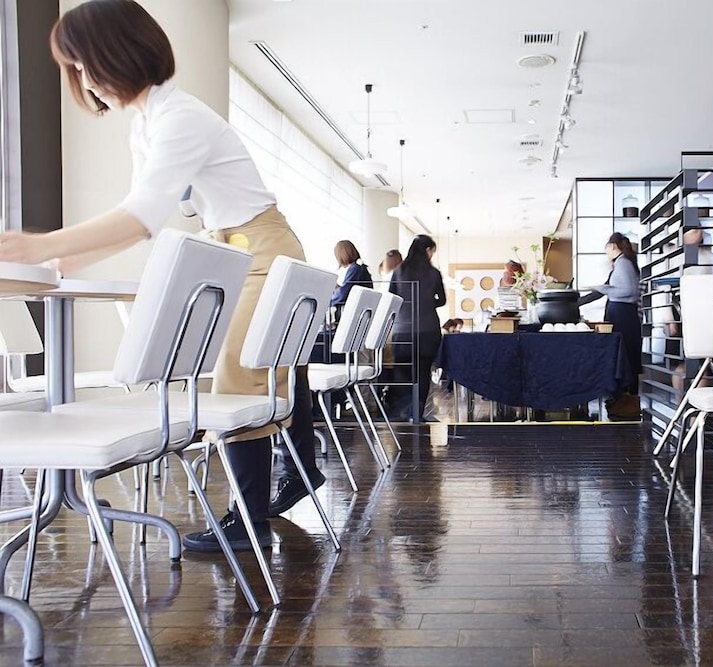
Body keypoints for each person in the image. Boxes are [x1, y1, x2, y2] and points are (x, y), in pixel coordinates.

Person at [0, 0, 322, 552]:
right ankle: (301, 469)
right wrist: (66, 260)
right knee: (259, 370)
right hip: (241, 247)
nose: (85, 81)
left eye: (85, 64)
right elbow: (139, 219)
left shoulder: (181, 118)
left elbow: (140, 216)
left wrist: (43, 243)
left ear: (117, 53)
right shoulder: (148, 124)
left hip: (259, 247)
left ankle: (248, 523)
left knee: (240, 378)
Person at [387, 235, 446, 421]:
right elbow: (442, 300)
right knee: (422, 373)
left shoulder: (399, 271)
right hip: (428, 330)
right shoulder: (433, 273)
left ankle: (405, 412)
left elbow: (392, 299)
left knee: (402, 372)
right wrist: (426, 304)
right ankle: (417, 414)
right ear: (428, 250)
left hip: (403, 330)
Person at [586, 232, 642, 419]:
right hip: (622, 314)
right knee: (624, 355)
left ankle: (627, 402)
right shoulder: (622, 263)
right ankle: (621, 400)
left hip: (623, 315)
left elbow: (628, 291)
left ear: (612, 247)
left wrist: (601, 288)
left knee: (625, 355)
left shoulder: (623, 263)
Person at [329, 240, 373, 320]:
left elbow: (343, 294)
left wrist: (328, 299)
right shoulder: (360, 268)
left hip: (354, 313)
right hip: (363, 311)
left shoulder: (355, 269)